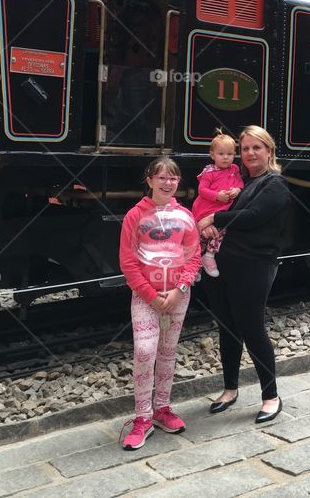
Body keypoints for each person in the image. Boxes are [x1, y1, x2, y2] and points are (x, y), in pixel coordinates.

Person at [196, 125, 291, 424]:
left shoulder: (274, 184)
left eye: (256, 148)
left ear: (269, 151)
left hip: (254, 265)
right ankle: (230, 389)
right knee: (227, 328)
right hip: (224, 266)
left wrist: (214, 217)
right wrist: (208, 222)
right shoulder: (242, 182)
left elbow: (253, 218)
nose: (249, 153)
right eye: (245, 148)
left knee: (252, 328)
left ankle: (271, 396)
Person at [118, 157, 201, 450]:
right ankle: (142, 417)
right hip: (145, 296)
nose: (168, 183)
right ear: (149, 180)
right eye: (162, 177)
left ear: (179, 183)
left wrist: (179, 289)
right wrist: (152, 295)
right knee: (144, 350)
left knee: (167, 351)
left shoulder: (185, 216)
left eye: (173, 178)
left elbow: (193, 256)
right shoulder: (134, 216)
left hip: (178, 295)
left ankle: (162, 408)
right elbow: (128, 263)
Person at [190, 132, 243, 277]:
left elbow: (240, 183)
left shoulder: (235, 169)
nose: (226, 157)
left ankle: (209, 256)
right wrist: (217, 196)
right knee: (198, 237)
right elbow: (202, 190)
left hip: (220, 211)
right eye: (221, 154)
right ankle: (194, 265)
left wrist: (237, 190)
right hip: (206, 208)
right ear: (212, 155)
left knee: (220, 232)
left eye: (230, 154)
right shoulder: (209, 172)